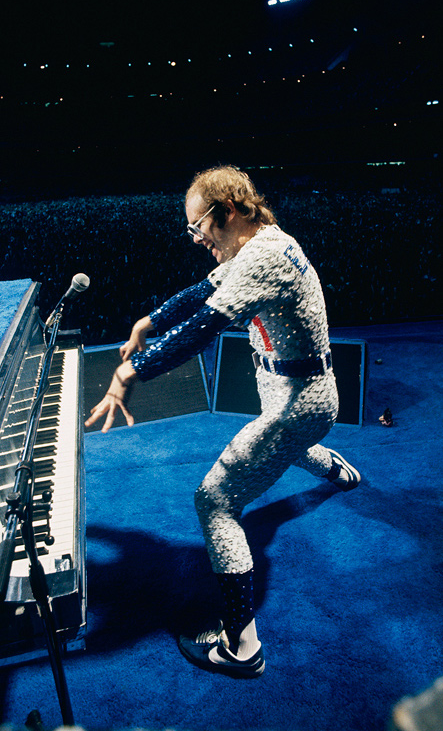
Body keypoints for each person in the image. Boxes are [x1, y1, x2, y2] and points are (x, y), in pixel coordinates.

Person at [85, 165, 361, 678]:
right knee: (287, 450)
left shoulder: (261, 259)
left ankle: (242, 648)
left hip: (299, 404)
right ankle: (338, 472)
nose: (195, 239)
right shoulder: (258, 245)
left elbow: (202, 328)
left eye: (197, 227)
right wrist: (149, 321)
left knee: (215, 501)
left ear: (227, 211)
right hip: (293, 396)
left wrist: (129, 371)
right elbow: (202, 292)